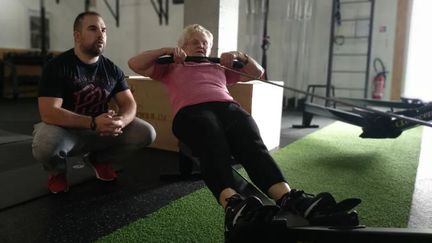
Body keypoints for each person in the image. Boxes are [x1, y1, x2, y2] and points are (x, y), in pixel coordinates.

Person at [128, 24, 360, 239]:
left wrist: (240, 56)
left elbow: (258, 72)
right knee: (211, 135)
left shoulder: (218, 65)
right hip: (191, 112)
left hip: (227, 107)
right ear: (183, 44)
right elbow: (135, 63)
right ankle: (233, 204)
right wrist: (166, 50)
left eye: (205, 43)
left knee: (248, 134)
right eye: (195, 41)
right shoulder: (170, 66)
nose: (201, 45)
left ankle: (287, 197)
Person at [32, 11, 156, 194]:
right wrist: (92, 122)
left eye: (104, 30)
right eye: (93, 29)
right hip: (66, 132)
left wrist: (121, 121)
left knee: (146, 133)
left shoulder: (112, 69)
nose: (100, 34)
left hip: (100, 131)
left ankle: (98, 159)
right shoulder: (57, 66)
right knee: (45, 144)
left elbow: (129, 104)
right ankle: (57, 172)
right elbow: (49, 112)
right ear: (77, 36)